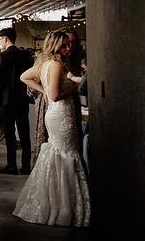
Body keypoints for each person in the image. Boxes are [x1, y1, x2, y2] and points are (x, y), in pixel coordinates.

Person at [12, 29, 91, 227]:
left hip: (57, 113)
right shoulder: (55, 65)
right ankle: (63, 206)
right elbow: (55, 95)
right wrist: (75, 86)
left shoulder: (45, 63)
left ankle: (53, 201)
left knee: (60, 154)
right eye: (64, 45)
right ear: (54, 45)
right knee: (66, 153)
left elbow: (25, 77)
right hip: (60, 113)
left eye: (69, 44)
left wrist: (44, 91)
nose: (68, 48)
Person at [0, 27, 33, 174]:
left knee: (9, 134)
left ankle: (12, 166)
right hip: (22, 99)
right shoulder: (26, 55)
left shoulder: (2, 56)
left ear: (5, 39)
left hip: (6, 101)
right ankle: (26, 166)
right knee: (24, 133)